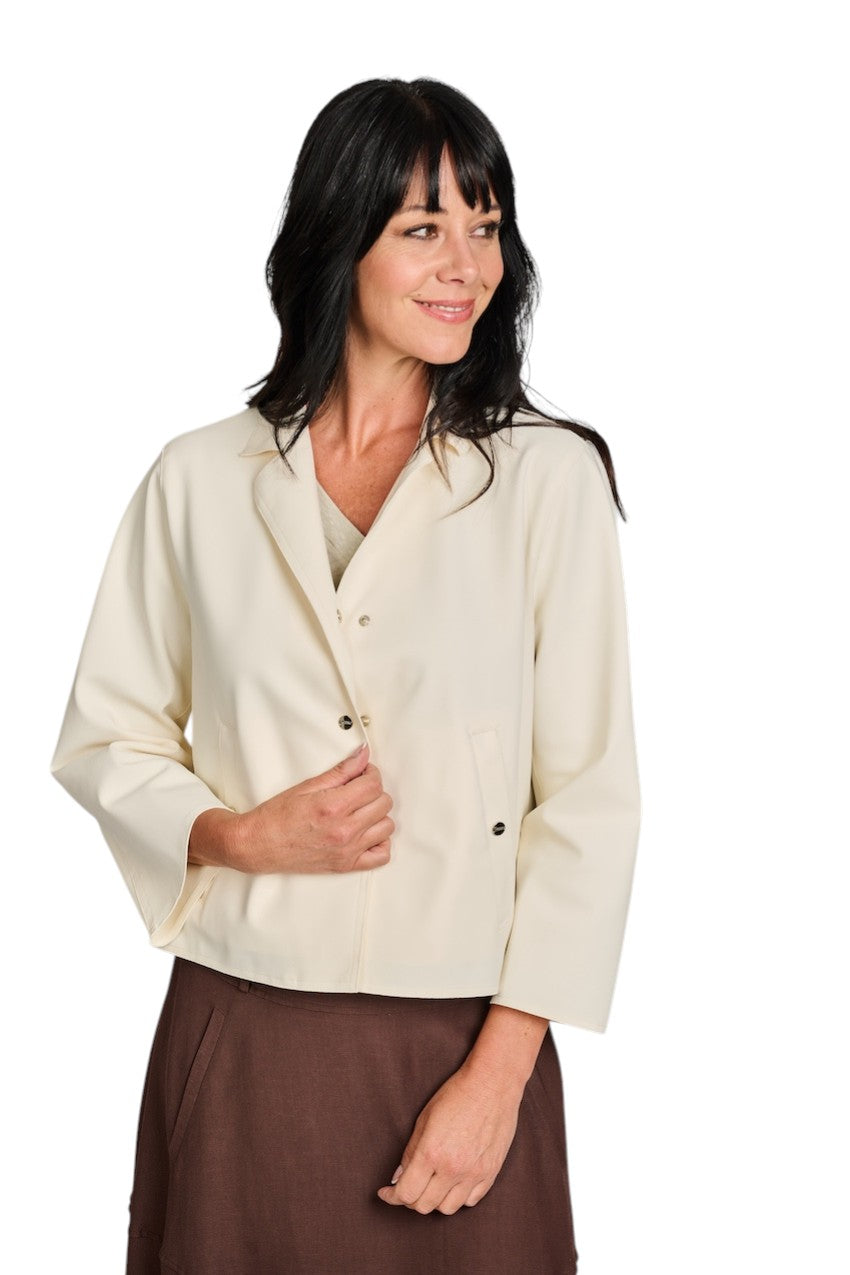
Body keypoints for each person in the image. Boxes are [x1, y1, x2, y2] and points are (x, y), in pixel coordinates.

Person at [49, 77, 641, 1274]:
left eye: (486, 226)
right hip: (243, 1028)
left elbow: (588, 797)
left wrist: (498, 1075)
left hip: (462, 1043)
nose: (467, 265)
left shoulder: (547, 481)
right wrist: (232, 834)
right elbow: (107, 736)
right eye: (423, 227)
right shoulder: (198, 479)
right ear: (339, 241)